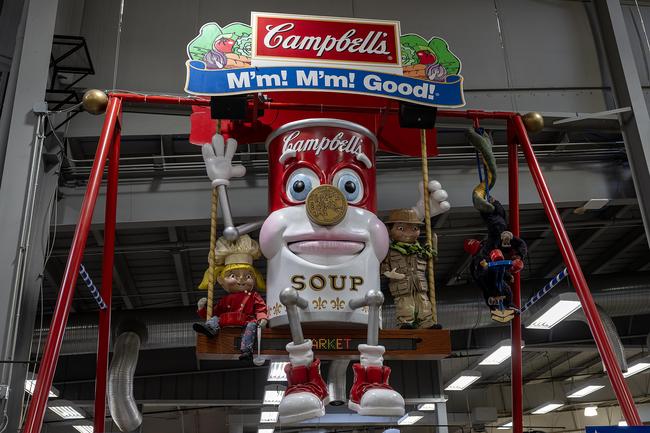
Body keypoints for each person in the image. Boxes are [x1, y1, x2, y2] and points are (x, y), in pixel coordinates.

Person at [193, 234, 267, 360]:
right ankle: (210, 329)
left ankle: (246, 349)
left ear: (255, 279)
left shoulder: (253, 296)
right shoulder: (225, 299)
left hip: (246, 320)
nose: (241, 280)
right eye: (233, 276)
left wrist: (262, 318)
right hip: (226, 321)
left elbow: (260, 308)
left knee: (252, 326)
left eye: (248, 276)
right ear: (222, 280)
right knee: (215, 317)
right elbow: (214, 312)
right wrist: (202, 308)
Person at [465, 197, 527, 322]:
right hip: (486, 274)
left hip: (494, 270)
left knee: (504, 289)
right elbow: (480, 275)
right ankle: (495, 306)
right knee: (492, 288)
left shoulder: (493, 241)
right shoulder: (481, 254)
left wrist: (518, 258)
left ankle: (507, 304)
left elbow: (518, 244)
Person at [381, 208, 437, 329]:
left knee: (424, 304)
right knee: (405, 305)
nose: (408, 233)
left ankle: (427, 322)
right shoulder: (389, 251)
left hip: (419, 284)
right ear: (390, 231)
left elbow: (430, 260)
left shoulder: (421, 251)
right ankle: (406, 322)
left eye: (414, 229)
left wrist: (431, 251)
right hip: (402, 286)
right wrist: (388, 273)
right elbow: (383, 266)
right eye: (401, 228)